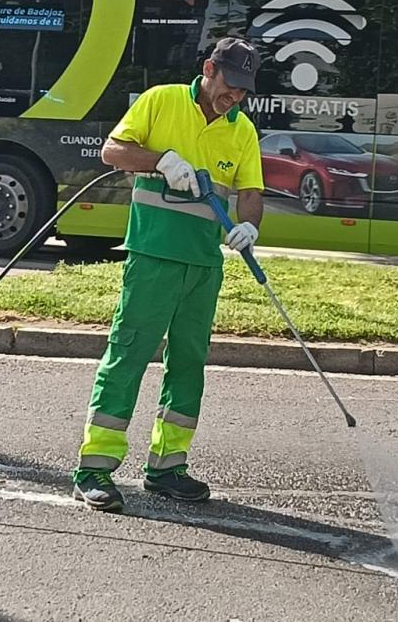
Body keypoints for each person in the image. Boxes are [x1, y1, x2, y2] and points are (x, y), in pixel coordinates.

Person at [71, 38, 265, 513]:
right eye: (229, 85)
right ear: (208, 70)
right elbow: (112, 151)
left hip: (203, 266)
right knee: (130, 355)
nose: (233, 97)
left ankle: (166, 467)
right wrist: (159, 160)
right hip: (153, 255)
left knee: (188, 365)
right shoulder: (160, 100)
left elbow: (251, 191)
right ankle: (94, 468)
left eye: (242, 91)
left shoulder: (242, 131)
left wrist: (249, 226)